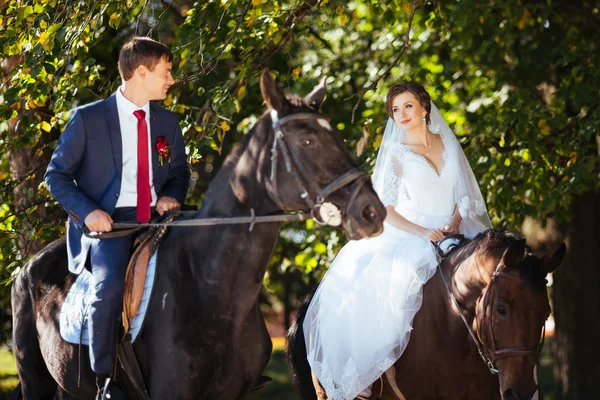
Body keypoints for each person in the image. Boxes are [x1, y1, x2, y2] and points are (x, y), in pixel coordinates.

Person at [302, 83, 492, 400]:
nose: (401, 114)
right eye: (395, 109)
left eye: (407, 106)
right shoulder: (396, 152)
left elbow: (463, 193)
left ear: (424, 108)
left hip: (454, 230)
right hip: (409, 233)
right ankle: (371, 376)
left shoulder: (447, 142)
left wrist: (456, 220)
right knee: (394, 294)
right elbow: (385, 209)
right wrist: (423, 233)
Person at [45, 37, 189, 399]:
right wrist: (89, 212)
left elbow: (179, 173)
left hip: (158, 219)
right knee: (107, 289)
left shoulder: (168, 122)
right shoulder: (88, 118)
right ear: (141, 72)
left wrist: (172, 195)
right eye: (166, 72)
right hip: (109, 224)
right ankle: (105, 382)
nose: (171, 80)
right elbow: (56, 176)